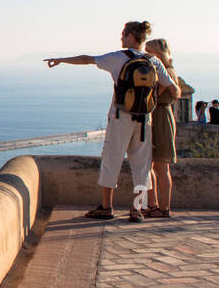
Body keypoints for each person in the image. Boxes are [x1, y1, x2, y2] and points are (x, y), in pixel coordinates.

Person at [45, 21, 178, 222]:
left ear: (132, 36)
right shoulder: (153, 61)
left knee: (111, 161)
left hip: (120, 117)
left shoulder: (118, 57)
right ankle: (136, 209)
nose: (121, 38)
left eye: (124, 35)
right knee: (142, 167)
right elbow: (174, 89)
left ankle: (106, 208)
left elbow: (87, 59)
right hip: (144, 120)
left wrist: (61, 60)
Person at [144, 39, 183, 218]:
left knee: (160, 166)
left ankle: (163, 207)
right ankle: (153, 205)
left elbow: (153, 97)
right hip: (157, 116)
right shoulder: (164, 71)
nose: (146, 54)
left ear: (159, 54)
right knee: (150, 165)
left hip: (160, 118)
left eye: (149, 51)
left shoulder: (166, 73)